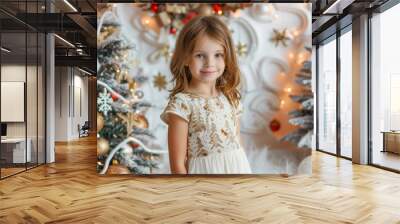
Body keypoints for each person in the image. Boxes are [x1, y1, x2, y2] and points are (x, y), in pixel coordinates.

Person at [160, 16, 251, 174]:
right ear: (186, 58)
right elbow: (178, 165)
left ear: (227, 57)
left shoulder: (230, 97)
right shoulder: (182, 104)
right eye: (200, 55)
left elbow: (237, 145)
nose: (210, 63)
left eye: (218, 55)